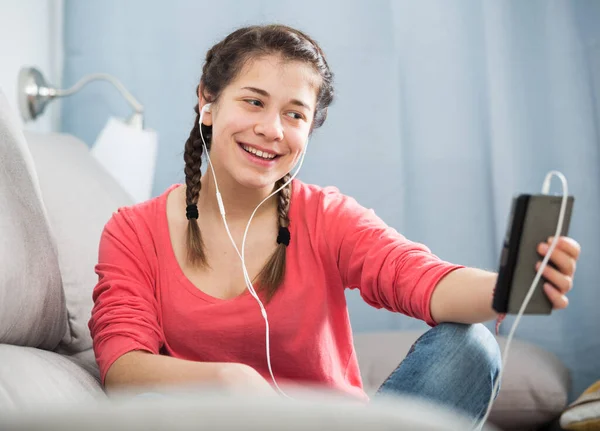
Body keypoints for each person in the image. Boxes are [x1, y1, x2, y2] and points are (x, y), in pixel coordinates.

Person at [88, 24, 581, 426]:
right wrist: (231, 383)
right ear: (208, 102)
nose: (272, 130)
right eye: (254, 102)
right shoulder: (133, 231)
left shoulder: (325, 215)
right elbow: (122, 366)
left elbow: (420, 279)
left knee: (469, 345)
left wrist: (510, 288)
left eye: (294, 114)